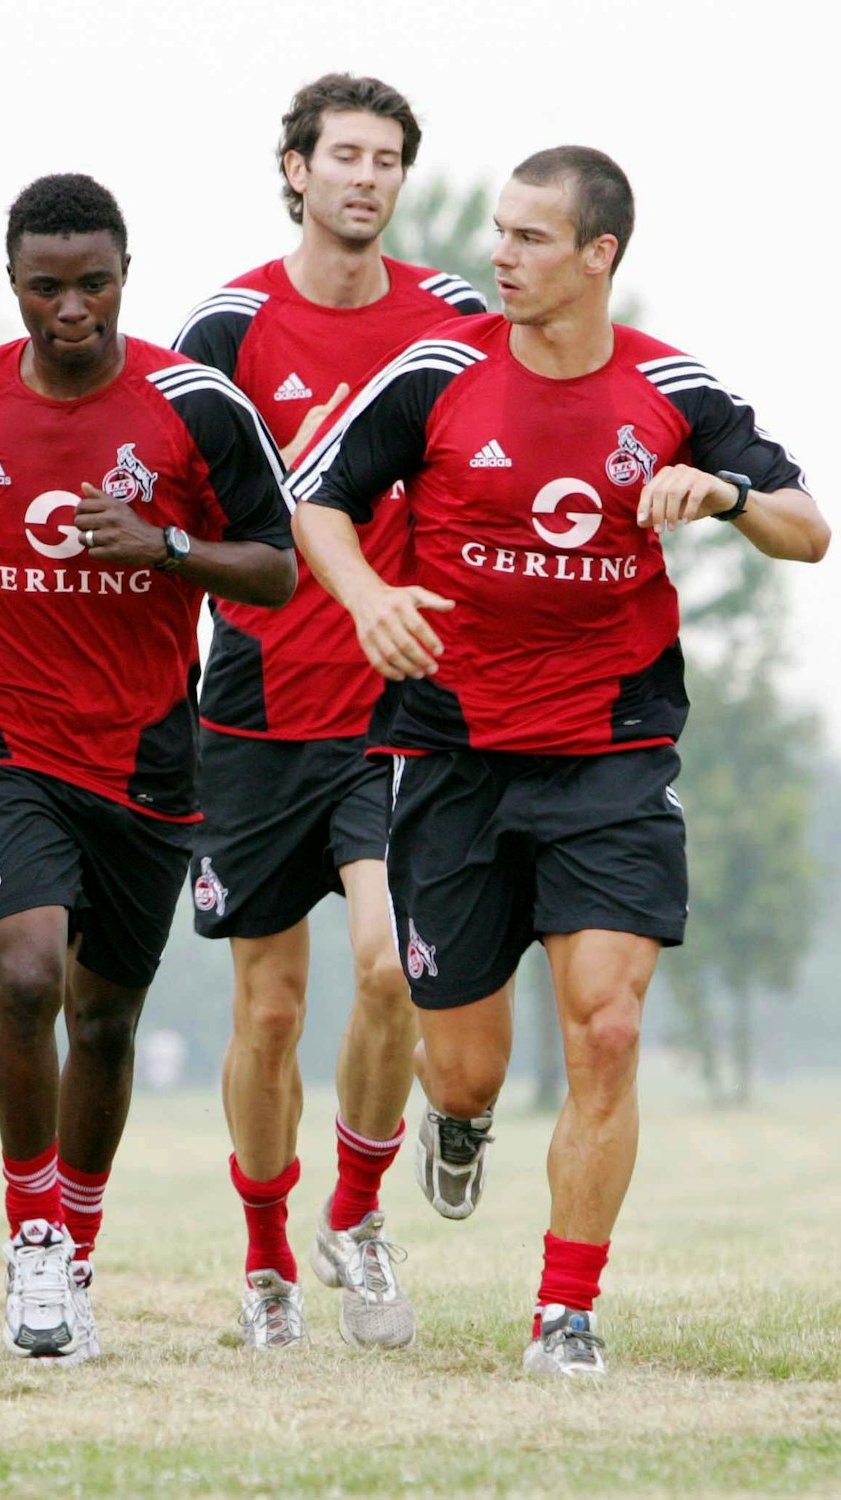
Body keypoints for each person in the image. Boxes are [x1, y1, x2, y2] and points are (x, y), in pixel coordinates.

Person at [291, 145, 825, 1376]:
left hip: (610, 755)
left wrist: (724, 496)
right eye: (497, 231)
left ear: (598, 256)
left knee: (608, 1030)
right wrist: (368, 596)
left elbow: (806, 529)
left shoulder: (670, 390)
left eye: (529, 238)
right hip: (451, 754)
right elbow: (318, 502)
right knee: (463, 1069)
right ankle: (454, 1126)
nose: (499, 256)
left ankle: (563, 1314)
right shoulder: (436, 373)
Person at [0, 174, 296, 1362]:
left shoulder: (193, 406)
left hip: (146, 756)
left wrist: (166, 546)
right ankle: (30, 1242)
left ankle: (78, 1245)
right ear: (12, 283)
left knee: (103, 1021)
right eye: (45, 288)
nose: (71, 309)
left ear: (124, 276)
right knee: (25, 979)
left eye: (93, 285)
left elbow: (275, 568)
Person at [170, 74, 487, 1351]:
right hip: (252, 707)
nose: (365, 177)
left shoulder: (453, 322)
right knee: (267, 1010)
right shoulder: (227, 326)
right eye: (342, 155)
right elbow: (174, 501)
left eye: (385, 158)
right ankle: (263, 1262)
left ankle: (354, 1219)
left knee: (387, 966)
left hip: (394, 707)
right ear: (295, 169)